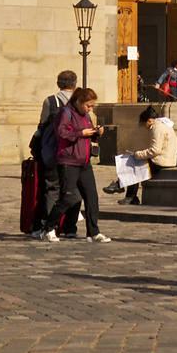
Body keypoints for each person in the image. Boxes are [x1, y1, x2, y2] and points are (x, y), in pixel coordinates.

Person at [54, 88, 110, 242]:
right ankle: (49, 227)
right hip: (69, 160)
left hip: (84, 161)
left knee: (92, 197)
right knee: (66, 197)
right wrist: (81, 134)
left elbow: (88, 136)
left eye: (91, 106)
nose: (90, 109)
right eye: (88, 105)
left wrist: (96, 133)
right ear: (79, 101)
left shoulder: (85, 115)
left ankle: (93, 232)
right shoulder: (66, 112)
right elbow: (61, 133)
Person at [31, 71, 76, 240]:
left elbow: (42, 124)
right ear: (74, 84)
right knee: (73, 190)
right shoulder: (79, 101)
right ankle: (70, 227)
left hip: (53, 152)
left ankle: (49, 226)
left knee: (52, 188)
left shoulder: (50, 101)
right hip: (73, 153)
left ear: (58, 84)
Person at [122, 106, 177, 205]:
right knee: (138, 165)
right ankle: (120, 186)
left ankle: (130, 196)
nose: (146, 128)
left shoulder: (156, 128)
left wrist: (138, 154)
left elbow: (155, 150)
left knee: (134, 166)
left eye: (144, 125)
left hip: (161, 161)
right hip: (169, 159)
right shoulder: (165, 125)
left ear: (148, 121)